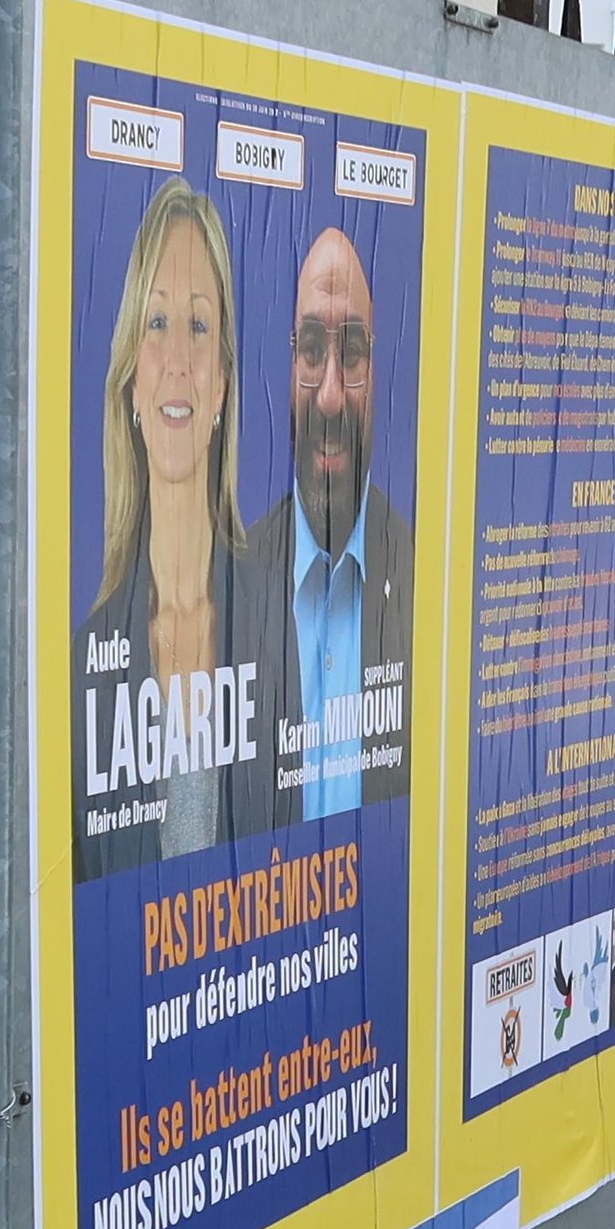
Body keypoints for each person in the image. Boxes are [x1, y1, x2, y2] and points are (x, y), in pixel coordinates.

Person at [75, 184, 283, 879]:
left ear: (222, 382)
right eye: (155, 322)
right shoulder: (88, 662)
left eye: (197, 326)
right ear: (131, 378)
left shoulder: (278, 619)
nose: (175, 361)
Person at [233, 221, 412, 820]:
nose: (331, 395)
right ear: (288, 366)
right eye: (312, 351)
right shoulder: (228, 587)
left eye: (353, 354)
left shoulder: (428, 585)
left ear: (377, 370)